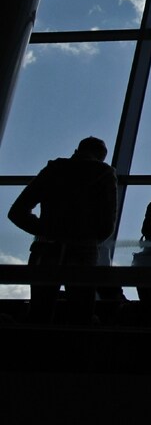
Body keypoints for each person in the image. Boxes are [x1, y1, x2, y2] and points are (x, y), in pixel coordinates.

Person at [8, 137, 117, 325]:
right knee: (81, 315)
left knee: (39, 314)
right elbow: (107, 226)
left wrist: (46, 230)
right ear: (101, 156)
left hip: (46, 250)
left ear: (77, 150)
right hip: (83, 253)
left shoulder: (53, 170)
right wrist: (86, 238)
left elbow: (17, 212)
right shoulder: (104, 174)